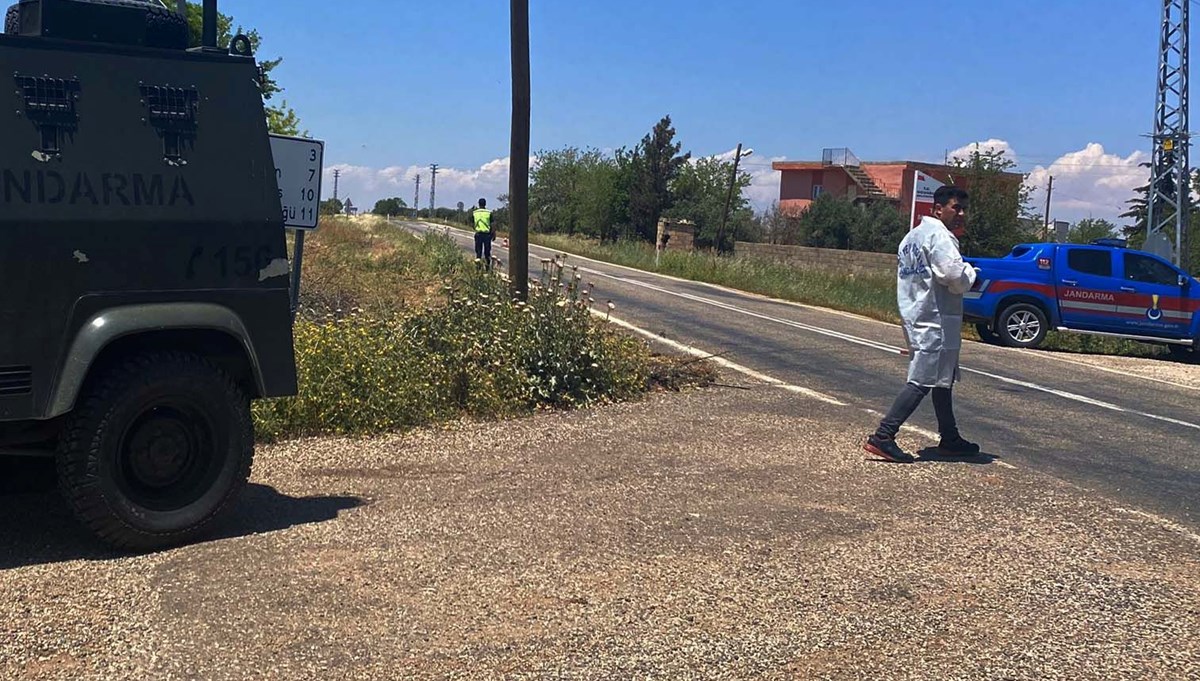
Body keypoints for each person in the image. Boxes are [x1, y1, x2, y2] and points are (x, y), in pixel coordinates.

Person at [865, 185, 980, 463]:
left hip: (918, 314)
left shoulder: (911, 238)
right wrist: (971, 273)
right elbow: (953, 275)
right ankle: (884, 434)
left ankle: (950, 437)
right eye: (956, 208)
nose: (961, 214)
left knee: (942, 379)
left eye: (964, 209)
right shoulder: (940, 236)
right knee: (922, 380)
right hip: (934, 320)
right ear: (938, 209)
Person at [470, 198, 493, 270]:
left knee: (478, 252)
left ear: (479, 204)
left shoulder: (475, 213)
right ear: (485, 204)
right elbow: (493, 224)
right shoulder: (489, 213)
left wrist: (475, 228)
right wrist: (493, 234)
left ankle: (478, 268)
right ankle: (487, 268)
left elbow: (471, 222)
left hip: (478, 234)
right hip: (487, 234)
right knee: (487, 253)